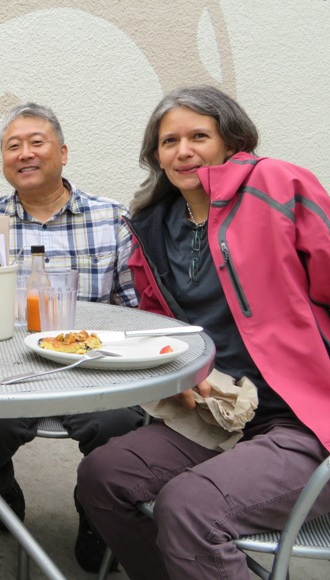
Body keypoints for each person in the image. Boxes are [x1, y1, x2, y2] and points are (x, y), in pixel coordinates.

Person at [76, 85, 330, 579]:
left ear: (230, 140)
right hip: (222, 412)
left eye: (198, 135)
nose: (183, 150)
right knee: (102, 477)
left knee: (188, 508)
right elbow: (163, 327)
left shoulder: (276, 185)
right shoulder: (152, 224)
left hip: (305, 420)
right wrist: (181, 372)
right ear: (156, 155)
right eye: (169, 141)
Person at [0, 102, 143, 571]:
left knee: (119, 426)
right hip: (10, 370)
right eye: (12, 146)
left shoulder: (111, 218)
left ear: (63, 153)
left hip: (92, 367)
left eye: (36, 143)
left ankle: (94, 512)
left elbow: (134, 307)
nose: (24, 154)